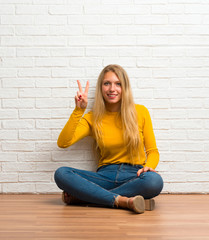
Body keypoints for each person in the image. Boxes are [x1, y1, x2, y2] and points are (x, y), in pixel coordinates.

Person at [54, 64, 163, 214]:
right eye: (107, 84)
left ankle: (87, 197)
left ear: (125, 87)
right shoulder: (93, 117)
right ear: (101, 88)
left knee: (154, 181)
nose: (112, 89)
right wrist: (79, 110)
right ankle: (124, 201)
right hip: (105, 175)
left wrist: (149, 166)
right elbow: (63, 143)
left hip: (135, 175)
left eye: (118, 84)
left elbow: (153, 151)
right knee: (61, 174)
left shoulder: (141, 112)